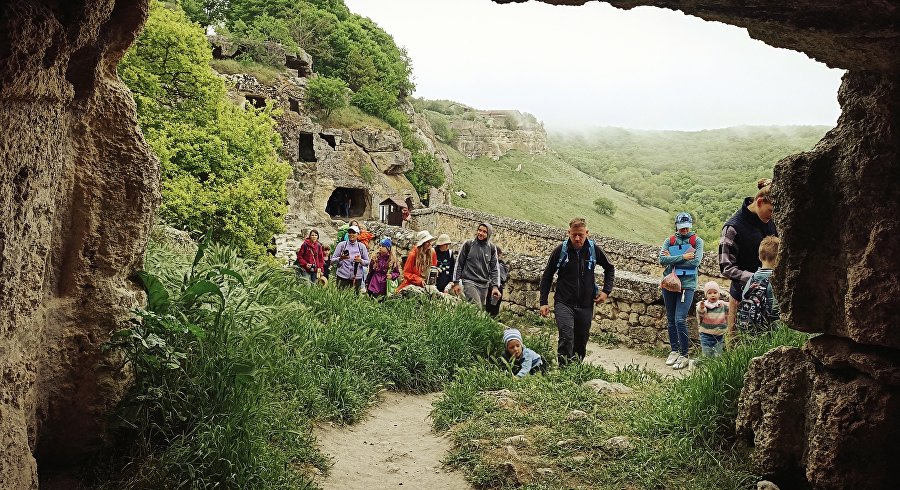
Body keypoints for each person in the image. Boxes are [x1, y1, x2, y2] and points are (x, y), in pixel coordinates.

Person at [539, 217, 615, 366]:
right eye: (574, 235)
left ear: (587, 232)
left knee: (581, 342)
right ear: (569, 233)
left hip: (586, 305)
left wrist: (606, 291)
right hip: (564, 303)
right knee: (566, 337)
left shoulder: (594, 250)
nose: (577, 238)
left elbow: (609, 268)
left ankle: (575, 371)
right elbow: (547, 276)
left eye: (581, 234)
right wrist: (543, 302)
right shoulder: (560, 251)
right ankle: (563, 371)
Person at [719, 179, 777, 342]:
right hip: (741, 298)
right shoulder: (732, 228)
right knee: (738, 342)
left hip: (770, 298)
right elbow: (726, 267)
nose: (772, 215)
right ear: (759, 202)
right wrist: (757, 278)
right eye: (770, 210)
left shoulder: (770, 221)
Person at [659, 212, 704, 370]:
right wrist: (684, 257)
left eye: (686, 227)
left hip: (687, 285)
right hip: (670, 284)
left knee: (679, 319)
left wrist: (673, 257)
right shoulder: (669, 240)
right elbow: (662, 260)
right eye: (681, 228)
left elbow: (696, 262)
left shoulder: (697, 241)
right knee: (671, 319)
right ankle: (674, 351)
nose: (684, 230)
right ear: (676, 227)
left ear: (690, 226)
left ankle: (684, 355)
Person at [735, 236, 782, 338]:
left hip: (749, 329)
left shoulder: (751, 279)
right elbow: (775, 310)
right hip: (769, 333)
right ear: (780, 258)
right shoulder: (775, 280)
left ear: (760, 257)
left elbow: (744, 297)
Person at [452, 223, 501, 309]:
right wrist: (456, 283)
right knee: (477, 308)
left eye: (484, 232)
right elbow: (459, 264)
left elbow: (495, 269)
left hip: (484, 286)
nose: (480, 233)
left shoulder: (492, 249)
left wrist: (495, 287)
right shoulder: (468, 244)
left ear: (488, 234)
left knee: (473, 311)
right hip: (469, 282)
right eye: (479, 230)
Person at [330, 225, 370, 291]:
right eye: (349, 232)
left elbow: (367, 262)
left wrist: (360, 261)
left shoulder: (362, 247)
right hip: (342, 276)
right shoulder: (341, 245)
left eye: (353, 233)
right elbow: (332, 260)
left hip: (356, 278)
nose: (351, 234)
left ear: (358, 234)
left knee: (354, 298)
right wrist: (341, 258)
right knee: (341, 298)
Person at [696, 281, 728, 359]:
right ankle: (705, 364)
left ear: (719, 294)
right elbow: (701, 312)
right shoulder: (705, 305)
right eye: (709, 293)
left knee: (718, 354)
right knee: (707, 354)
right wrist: (702, 307)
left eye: (715, 292)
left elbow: (732, 306)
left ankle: (715, 367)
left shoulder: (721, 304)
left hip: (719, 334)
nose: (712, 295)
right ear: (706, 295)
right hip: (706, 334)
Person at [484, 246, 509, 317]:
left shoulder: (499, 266)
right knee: (490, 310)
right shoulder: (492, 264)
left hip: (495, 289)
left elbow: (502, 278)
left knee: (492, 310)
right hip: (491, 289)